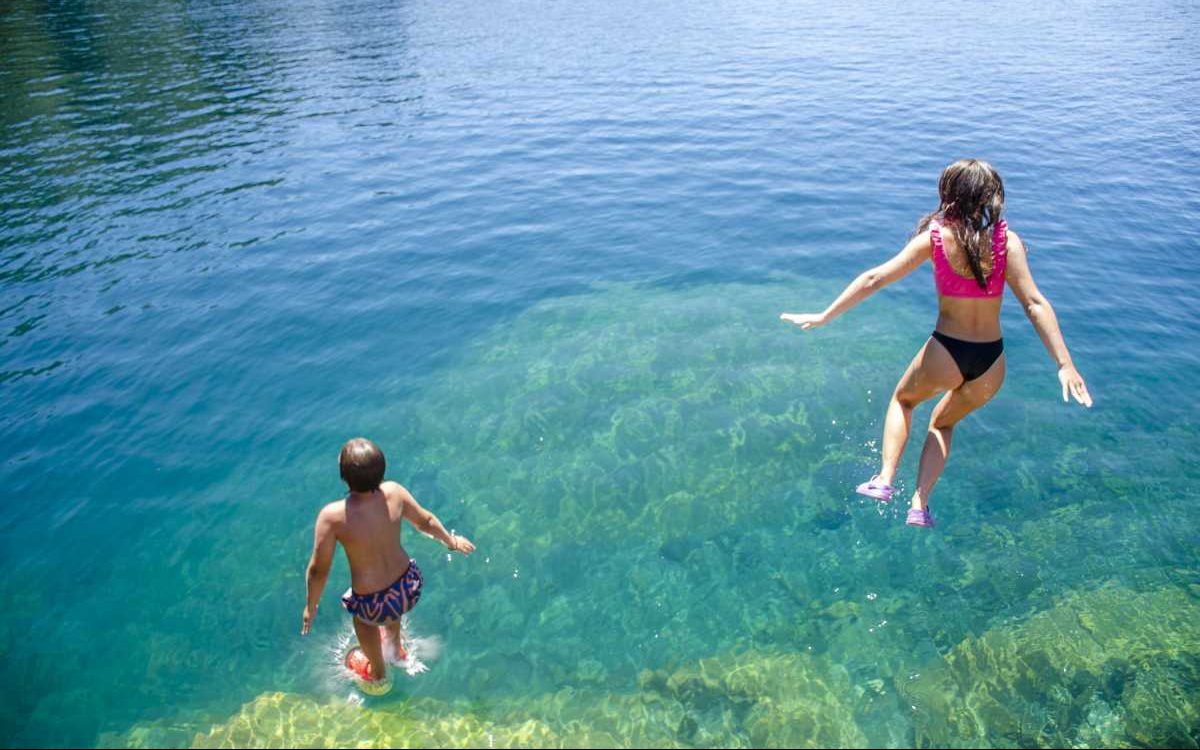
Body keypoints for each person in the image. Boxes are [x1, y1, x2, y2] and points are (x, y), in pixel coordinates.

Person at [781, 159, 1092, 527]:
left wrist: (824, 315)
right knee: (942, 424)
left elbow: (874, 279)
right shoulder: (1007, 243)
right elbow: (1035, 303)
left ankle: (884, 480)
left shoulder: (935, 238)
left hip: (946, 349)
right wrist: (1064, 364)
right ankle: (919, 504)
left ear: (950, 195)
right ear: (991, 197)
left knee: (903, 400)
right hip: (991, 362)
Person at [301, 437, 475, 690]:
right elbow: (425, 521)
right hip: (408, 586)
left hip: (372, 604)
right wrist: (451, 541)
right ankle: (395, 649)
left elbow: (319, 569)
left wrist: (311, 605)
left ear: (344, 478)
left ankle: (378, 672)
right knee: (389, 606)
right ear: (382, 471)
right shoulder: (394, 492)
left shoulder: (332, 517)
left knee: (363, 621)